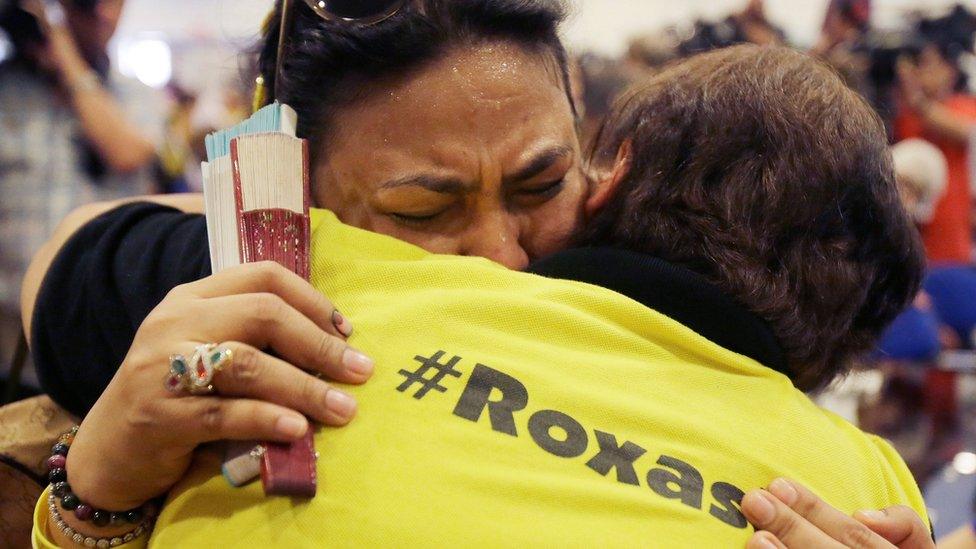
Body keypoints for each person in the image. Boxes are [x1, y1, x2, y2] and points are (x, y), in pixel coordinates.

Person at [27, 37, 933, 548]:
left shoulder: (860, 508)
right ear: (294, 200)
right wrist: (95, 493)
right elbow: (61, 261)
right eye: (425, 205)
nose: (498, 257)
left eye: (541, 186)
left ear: (600, 165)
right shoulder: (288, 285)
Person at [0, 0, 164, 376]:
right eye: (89, 4)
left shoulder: (134, 95)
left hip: (100, 348)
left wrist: (64, 53)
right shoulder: (7, 90)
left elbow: (125, 151)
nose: (106, 14)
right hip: (10, 350)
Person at [896, 40, 976, 264]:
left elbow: (965, 132)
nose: (920, 72)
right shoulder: (908, 113)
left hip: (950, 249)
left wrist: (916, 99)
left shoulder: (965, 105)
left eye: (927, 64)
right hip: (910, 242)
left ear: (949, 70)